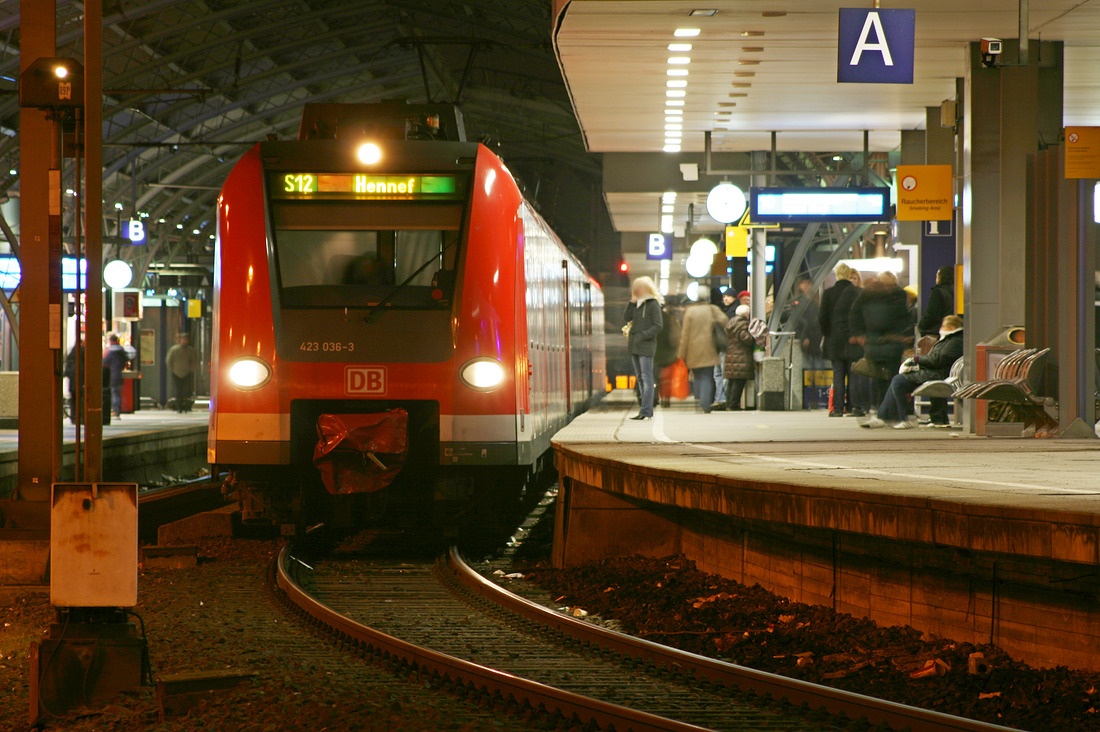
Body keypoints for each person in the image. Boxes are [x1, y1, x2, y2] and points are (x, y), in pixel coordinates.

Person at [863, 315, 964, 429]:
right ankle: (884, 417)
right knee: (898, 379)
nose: (941, 328)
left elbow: (937, 360)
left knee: (898, 381)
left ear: (951, 327)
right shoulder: (950, 340)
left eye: (943, 325)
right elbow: (937, 358)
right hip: (936, 373)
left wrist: (917, 359)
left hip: (938, 375)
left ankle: (906, 418)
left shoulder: (954, 341)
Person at [849, 271, 912, 411]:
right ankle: (889, 409)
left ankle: (878, 408)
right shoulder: (898, 295)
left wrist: (860, 334)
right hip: (891, 342)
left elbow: (854, 314)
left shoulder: (867, 295)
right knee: (890, 377)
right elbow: (904, 318)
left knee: (876, 377)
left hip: (876, 342)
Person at [819, 264, 863, 417]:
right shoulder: (858, 293)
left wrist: (827, 334)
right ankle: (856, 407)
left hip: (835, 340)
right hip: (854, 341)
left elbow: (822, 318)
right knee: (855, 374)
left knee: (838, 374)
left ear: (837, 275)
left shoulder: (828, 293)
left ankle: (837, 408)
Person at [677, 291, 728, 413]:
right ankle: (705, 404)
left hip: (693, 348)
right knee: (708, 376)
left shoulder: (690, 311)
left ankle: (699, 401)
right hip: (710, 347)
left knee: (698, 376)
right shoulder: (712, 309)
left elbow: (685, 334)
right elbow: (725, 321)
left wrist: (681, 353)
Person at [623, 276, 664, 421]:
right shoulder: (636, 305)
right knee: (640, 378)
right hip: (634, 346)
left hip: (646, 346)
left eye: (639, 287)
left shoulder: (653, 305)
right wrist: (632, 302)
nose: (636, 290)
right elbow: (626, 317)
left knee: (647, 378)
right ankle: (644, 409)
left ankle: (646, 411)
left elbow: (658, 325)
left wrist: (642, 335)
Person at [724, 304, 755, 410]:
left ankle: (728, 403)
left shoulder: (730, 323)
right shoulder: (742, 324)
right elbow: (746, 339)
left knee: (731, 381)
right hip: (741, 357)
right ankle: (733, 404)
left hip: (731, 356)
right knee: (738, 382)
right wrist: (753, 338)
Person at [918, 265, 955, 337]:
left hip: (937, 332)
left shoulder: (938, 292)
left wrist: (921, 326)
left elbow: (931, 313)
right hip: (951, 329)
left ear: (940, 277)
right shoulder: (957, 292)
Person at [166, 332, 199, 413]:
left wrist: (191, 369)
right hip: (177, 373)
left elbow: (194, 361)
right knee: (178, 390)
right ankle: (179, 406)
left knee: (186, 390)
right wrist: (173, 370)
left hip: (186, 372)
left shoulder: (190, 350)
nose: (184, 341)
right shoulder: (174, 350)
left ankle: (186, 406)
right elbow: (169, 361)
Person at [102, 334, 129, 419]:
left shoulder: (109, 351)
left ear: (110, 341)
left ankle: (115, 411)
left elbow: (105, 363)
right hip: (119, 374)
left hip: (111, 375)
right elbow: (126, 360)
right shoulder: (122, 351)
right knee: (117, 393)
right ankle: (117, 411)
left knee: (113, 393)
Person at [64, 342, 84, 425]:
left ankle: (74, 417)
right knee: (81, 400)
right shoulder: (82, 362)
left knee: (73, 400)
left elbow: (66, 372)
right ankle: (81, 418)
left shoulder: (71, 358)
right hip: (81, 382)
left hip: (72, 383)